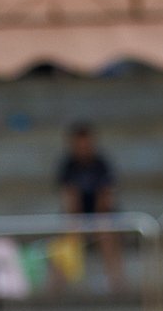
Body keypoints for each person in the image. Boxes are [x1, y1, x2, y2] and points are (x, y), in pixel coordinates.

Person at [53, 121, 124, 287]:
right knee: (67, 236)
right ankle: (58, 284)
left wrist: (97, 219)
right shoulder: (68, 166)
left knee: (106, 231)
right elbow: (69, 197)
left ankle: (116, 281)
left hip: (100, 214)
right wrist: (76, 221)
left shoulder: (101, 164)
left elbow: (106, 196)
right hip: (76, 215)